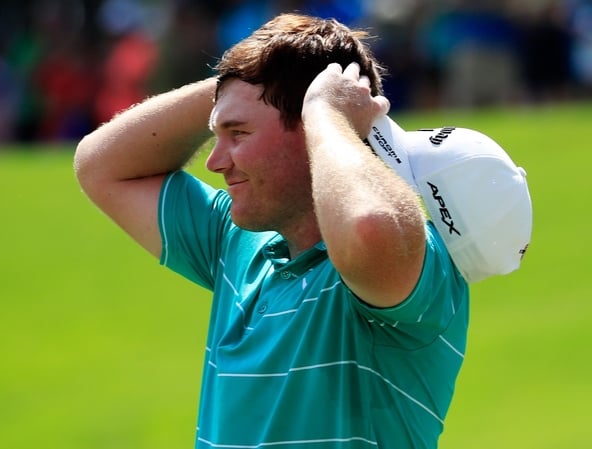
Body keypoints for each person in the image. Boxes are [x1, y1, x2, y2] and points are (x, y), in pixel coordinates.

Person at [75, 13, 468, 449]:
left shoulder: (413, 256)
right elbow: (101, 165)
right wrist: (246, 77)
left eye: (237, 133)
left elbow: (368, 228)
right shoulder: (237, 240)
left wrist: (324, 110)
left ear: (313, 131)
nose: (214, 161)